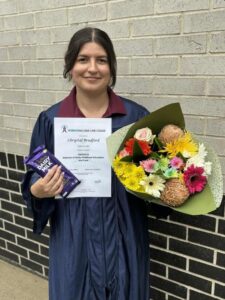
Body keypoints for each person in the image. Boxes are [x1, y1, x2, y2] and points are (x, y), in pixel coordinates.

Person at [22, 27, 150, 300]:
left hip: (124, 232)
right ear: (70, 65)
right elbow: (36, 171)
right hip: (74, 232)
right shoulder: (51, 120)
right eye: (83, 59)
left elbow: (158, 174)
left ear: (111, 66)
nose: (92, 68)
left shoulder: (135, 118)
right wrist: (37, 189)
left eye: (101, 60)